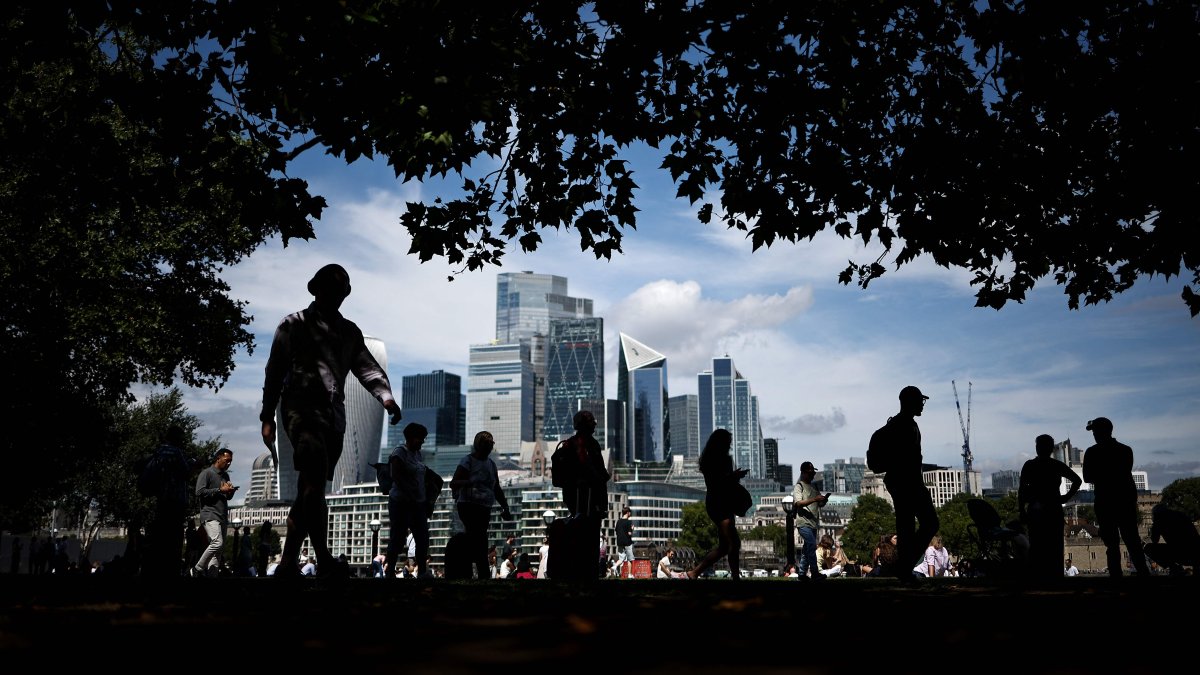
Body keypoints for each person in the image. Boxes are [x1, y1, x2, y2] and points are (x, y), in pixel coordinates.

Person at [260, 263, 403, 580]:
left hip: (333, 417)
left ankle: (287, 565)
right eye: (332, 288)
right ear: (317, 289)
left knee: (309, 492)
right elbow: (274, 371)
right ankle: (323, 559)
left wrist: (387, 398)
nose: (337, 295)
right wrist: (267, 414)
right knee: (312, 484)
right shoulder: (293, 325)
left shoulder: (348, 332)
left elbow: (367, 369)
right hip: (301, 411)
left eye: (342, 290)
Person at [881, 386, 939, 581]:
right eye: (919, 401)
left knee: (908, 526)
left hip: (907, 482)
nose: (922, 405)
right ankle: (904, 567)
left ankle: (904, 566)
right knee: (920, 524)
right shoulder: (902, 426)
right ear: (910, 402)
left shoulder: (906, 425)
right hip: (907, 483)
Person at [1081, 417, 1149, 577]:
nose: (1094, 435)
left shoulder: (1092, 452)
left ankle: (1116, 578)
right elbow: (1123, 473)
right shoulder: (1125, 450)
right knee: (1133, 540)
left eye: (1095, 432)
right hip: (1125, 500)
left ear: (1099, 432)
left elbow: (1088, 477)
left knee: (1111, 544)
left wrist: (1102, 476)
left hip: (1105, 502)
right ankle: (1145, 575)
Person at [449, 431, 512, 580]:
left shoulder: (491, 464)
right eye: (487, 444)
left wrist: (505, 506)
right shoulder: (468, 461)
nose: (489, 447)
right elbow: (454, 483)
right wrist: (469, 482)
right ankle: (479, 572)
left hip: (484, 507)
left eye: (491, 444)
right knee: (478, 538)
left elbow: (496, 488)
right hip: (468, 505)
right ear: (479, 445)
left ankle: (475, 572)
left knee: (478, 538)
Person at [1018, 434, 1082, 580]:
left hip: (1036, 509)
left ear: (1037, 447)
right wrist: (1065, 497)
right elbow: (1077, 480)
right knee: (1054, 545)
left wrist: (1021, 510)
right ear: (1051, 449)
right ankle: (1054, 575)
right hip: (1053, 509)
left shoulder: (1030, 465)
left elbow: (1022, 490)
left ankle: (1037, 575)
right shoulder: (1056, 465)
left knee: (1037, 544)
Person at [687, 429, 748, 580]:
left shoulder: (709, 459)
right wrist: (734, 476)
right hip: (720, 503)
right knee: (730, 543)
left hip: (718, 502)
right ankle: (696, 572)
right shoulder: (719, 460)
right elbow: (718, 483)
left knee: (729, 544)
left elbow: (718, 482)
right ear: (721, 443)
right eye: (728, 442)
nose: (730, 445)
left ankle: (697, 573)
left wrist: (733, 477)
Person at [139, 425, 197, 578]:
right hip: (175, 500)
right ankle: (171, 570)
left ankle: (157, 569)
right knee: (173, 538)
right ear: (177, 437)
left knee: (161, 536)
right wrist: (195, 464)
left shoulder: (159, 452)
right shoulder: (176, 452)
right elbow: (186, 472)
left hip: (162, 499)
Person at [385, 422, 433, 579]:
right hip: (401, 503)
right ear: (412, 438)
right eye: (421, 439)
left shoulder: (417, 454)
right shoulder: (400, 452)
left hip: (418, 503)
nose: (423, 442)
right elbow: (396, 475)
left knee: (422, 537)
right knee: (398, 536)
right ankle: (390, 570)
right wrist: (410, 492)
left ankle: (422, 572)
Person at [192, 448, 237, 578]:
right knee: (217, 543)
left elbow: (226, 497)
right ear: (218, 458)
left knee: (218, 550)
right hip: (210, 514)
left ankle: (212, 577)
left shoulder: (225, 476)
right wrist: (219, 490)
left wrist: (230, 492)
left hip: (222, 515)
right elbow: (199, 492)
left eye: (230, 461)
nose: (229, 464)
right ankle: (197, 568)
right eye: (227, 460)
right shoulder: (207, 473)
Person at [792, 461, 829, 580]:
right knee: (812, 545)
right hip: (803, 523)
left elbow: (820, 504)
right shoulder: (799, 486)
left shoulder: (814, 486)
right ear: (803, 473)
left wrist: (823, 500)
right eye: (810, 473)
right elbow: (798, 503)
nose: (812, 475)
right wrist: (815, 499)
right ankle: (814, 573)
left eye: (813, 472)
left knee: (806, 550)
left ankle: (802, 574)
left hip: (813, 523)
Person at [1144, 502, 1200, 576]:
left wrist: (1154, 526)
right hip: (1195, 552)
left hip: (1180, 553)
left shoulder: (1159, 520)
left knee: (1148, 548)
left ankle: (1174, 567)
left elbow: (1155, 540)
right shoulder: (1180, 515)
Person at [614, 506, 635, 578]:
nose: (630, 514)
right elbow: (629, 533)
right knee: (630, 559)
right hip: (627, 542)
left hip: (619, 542)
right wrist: (632, 529)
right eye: (630, 513)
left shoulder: (618, 521)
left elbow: (616, 531)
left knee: (621, 559)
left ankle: (614, 567)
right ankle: (629, 574)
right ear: (628, 513)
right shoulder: (629, 522)